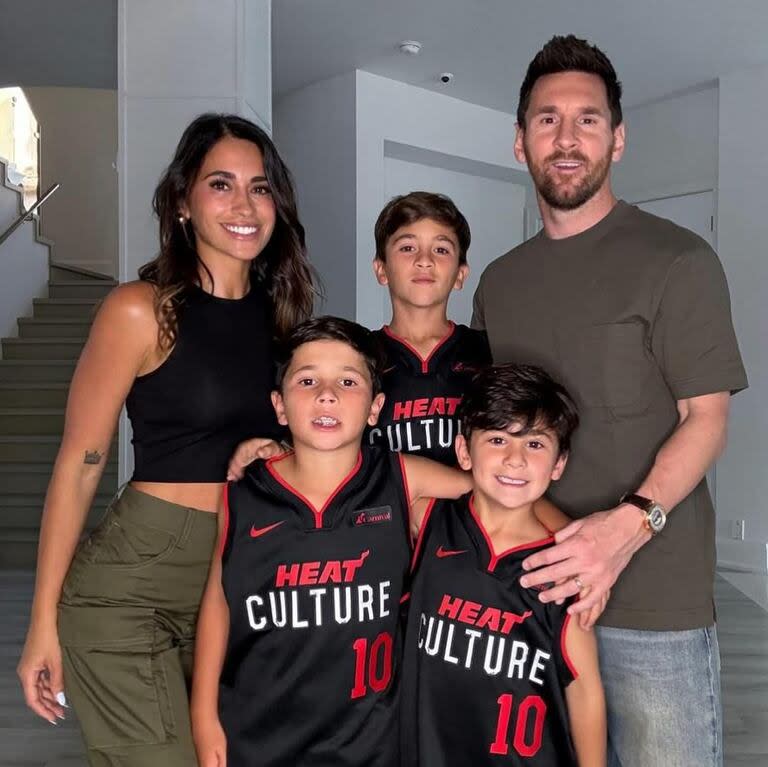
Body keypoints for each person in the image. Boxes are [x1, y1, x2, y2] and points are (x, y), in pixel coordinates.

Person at [471, 35, 747, 767]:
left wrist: (624, 529)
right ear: (519, 141)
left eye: (587, 120)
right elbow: (481, 426)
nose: (566, 138)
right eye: (547, 119)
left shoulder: (678, 261)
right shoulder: (499, 282)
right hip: (532, 595)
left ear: (618, 139)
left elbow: (707, 417)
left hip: (653, 606)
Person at [17, 113, 316, 766]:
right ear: (183, 202)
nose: (245, 204)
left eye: (260, 187)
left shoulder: (287, 324)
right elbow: (79, 465)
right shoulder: (140, 309)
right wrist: (42, 621)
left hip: (241, 580)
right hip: (134, 587)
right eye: (221, 184)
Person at [191, 316, 474, 767]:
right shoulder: (240, 492)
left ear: (376, 407)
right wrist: (204, 716)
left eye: (347, 380)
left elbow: (506, 500)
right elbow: (218, 604)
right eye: (307, 381)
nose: (327, 394)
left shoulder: (402, 477)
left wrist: (582, 541)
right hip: (258, 735)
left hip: (372, 738)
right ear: (279, 406)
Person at [401, 363, 606, 766]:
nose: (515, 459)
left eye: (534, 444)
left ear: (559, 463)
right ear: (464, 450)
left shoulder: (561, 569)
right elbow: (360, 472)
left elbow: (584, 690)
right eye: (497, 439)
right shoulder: (427, 519)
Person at [368, 191, 491, 465]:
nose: (425, 260)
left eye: (441, 249)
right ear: (381, 270)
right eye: (408, 248)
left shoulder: (489, 353)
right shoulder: (357, 356)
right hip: (384, 508)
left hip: (472, 509)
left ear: (460, 275)